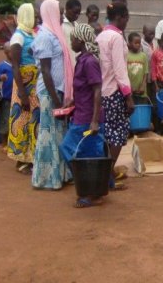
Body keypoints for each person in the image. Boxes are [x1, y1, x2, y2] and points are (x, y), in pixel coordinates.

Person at [59, 23, 105, 208]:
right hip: (82, 114)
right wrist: (73, 102)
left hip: (87, 119)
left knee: (70, 149)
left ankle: (90, 191)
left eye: (73, 39)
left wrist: (94, 120)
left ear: (81, 40)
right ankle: (95, 187)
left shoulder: (90, 62)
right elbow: (86, 90)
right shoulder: (83, 60)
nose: (71, 42)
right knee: (89, 153)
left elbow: (97, 91)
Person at [31, 0, 74, 190]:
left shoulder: (55, 34)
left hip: (58, 91)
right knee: (48, 134)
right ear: (50, 13)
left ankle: (61, 174)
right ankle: (47, 178)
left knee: (59, 134)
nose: (63, 15)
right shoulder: (44, 37)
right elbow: (46, 72)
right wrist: (56, 101)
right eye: (60, 12)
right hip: (50, 93)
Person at [96, 2, 135, 190]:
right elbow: (120, 70)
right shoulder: (116, 38)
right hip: (114, 91)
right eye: (126, 18)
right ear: (120, 17)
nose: (127, 22)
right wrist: (128, 96)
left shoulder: (101, 35)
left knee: (108, 134)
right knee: (118, 135)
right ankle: (106, 177)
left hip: (102, 91)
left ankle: (107, 175)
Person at [7, 3, 39, 174]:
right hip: (24, 85)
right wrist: (22, 93)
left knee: (33, 120)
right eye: (33, 14)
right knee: (22, 119)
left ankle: (30, 158)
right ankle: (21, 160)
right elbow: (15, 66)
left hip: (33, 84)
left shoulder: (30, 33)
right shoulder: (18, 37)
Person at [127, 32, 149, 104]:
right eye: (135, 43)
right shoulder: (126, 56)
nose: (138, 45)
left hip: (142, 91)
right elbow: (124, 73)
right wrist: (129, 86)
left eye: (139, 43)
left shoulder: (143, 56)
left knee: (141, 108)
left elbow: (146, 73)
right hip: (130, 90)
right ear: (129, 43)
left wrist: (143, 86)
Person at [62, 0, 82, 68]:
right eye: (74, 12)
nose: (77, 16)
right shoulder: (61, 25)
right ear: (67, 9)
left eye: (78, 14)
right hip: (65, 63)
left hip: (76, 62)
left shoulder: (77, 25)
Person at [141, 24, 156, 100]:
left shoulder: (155, 43)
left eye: (154, 33)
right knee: (146, 94)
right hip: (145, 74)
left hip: (154, 74)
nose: (152, 36)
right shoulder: (140, 44)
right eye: (150, 34)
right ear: (143, 32)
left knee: (153, 94)